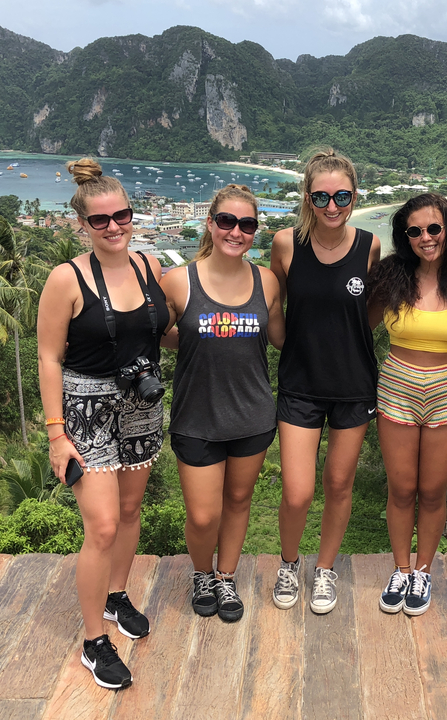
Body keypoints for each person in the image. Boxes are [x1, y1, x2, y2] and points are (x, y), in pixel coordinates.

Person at [37, 158, 171, 690]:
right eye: (101, 220)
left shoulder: (149, 265)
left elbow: (162, 329)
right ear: (83, 225)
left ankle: (117, 595)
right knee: (103, 526)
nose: (114, 227)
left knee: (133, 508)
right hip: (85, 410)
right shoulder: (65, 279)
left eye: (123, 216)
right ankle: (95, 639)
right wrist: (55, 434)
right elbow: (49, 357)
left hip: (141, 403)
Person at [161, 184, 285, 623]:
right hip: (196, 416)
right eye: (227, 221)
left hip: (252, 414)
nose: (237, 231)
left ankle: (226, 576)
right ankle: (201, 573)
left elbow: (280, 338)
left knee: (238, 500)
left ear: (255, 231)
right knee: (201, 514)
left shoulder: (266, 282)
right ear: (210, 224)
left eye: (247, 224)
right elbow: (158, 332)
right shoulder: (178, 281)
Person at [269, 147, 381, 614]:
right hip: (300, 383)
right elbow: (274, 302)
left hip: (354, 385)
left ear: (355, 195)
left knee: (339, 484)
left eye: (342, 196)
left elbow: (369, 314)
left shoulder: (370, 245)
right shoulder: (285, 243)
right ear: (307, 198)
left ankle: (326, 569)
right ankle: (290, 562)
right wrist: (287, 345)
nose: (332, 206)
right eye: (321, 197)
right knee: (297, 492)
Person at [367, 193, 447, 616]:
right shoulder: (391, 276)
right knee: (401, 488)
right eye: (414, 231)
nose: (425, 237)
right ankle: (401, 568)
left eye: (434, 228)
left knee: (433, 490)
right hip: (397, 384)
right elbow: (362, 322)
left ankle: (423, 571)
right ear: (405, 236)